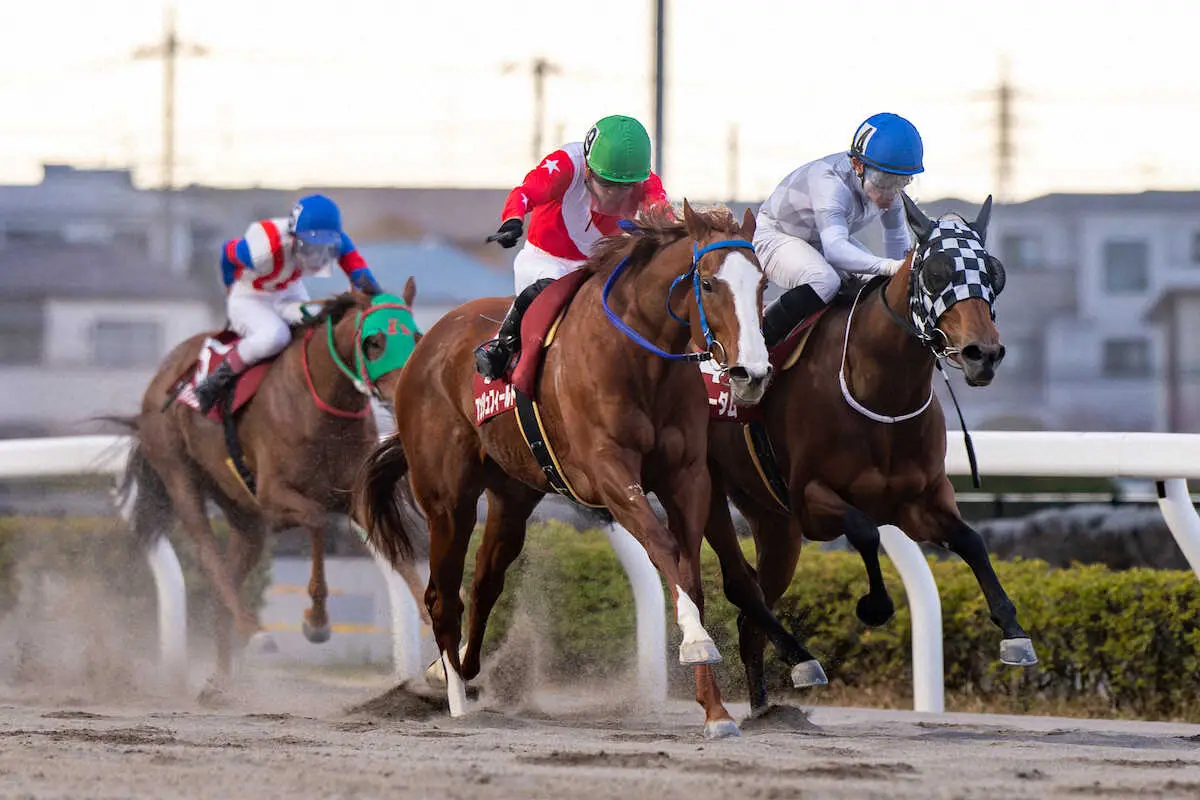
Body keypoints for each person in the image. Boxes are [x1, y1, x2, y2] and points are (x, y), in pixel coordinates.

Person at [473, 114, 671, 380]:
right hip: (545, 260)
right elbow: (525, 193)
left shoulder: (645, 182)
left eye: (625, 188)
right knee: (555, 283)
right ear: (588, 169)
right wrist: (513, 219)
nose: (614, 196)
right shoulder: (566, 164)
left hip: (595, 267)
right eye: (607, 184)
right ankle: (502, 346)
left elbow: (665, 220)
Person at [192, 193, 382, 413]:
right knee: (275, 336)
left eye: (326, 250)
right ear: (293, 238)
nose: (318, 258)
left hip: (288, 291)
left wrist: (379, 302)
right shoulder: (263, 247)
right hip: (250, 296)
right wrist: (228, 286)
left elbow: (361, 275)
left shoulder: (337, 239)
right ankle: (215, 381)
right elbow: (228, 252)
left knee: (322, 326)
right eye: (310, 248)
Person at [755, 112, 924, 345]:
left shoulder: (888, 190)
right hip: (775, 235)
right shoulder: (829, 182)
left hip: (819, 240)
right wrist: (889, 266)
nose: (891, 193)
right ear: (857, 165)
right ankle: (758, 343)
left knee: (878, 284)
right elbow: (835, 250)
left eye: (901, 181)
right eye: (884, 181)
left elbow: (897, 242)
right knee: (825, 281)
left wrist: (901, 274)